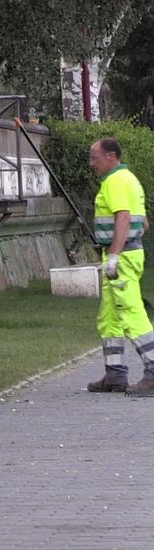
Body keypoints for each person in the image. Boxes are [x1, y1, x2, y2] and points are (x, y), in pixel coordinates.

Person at [86, 137, 154, 395]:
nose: (92, 164)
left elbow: (123, 217)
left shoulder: (115, 181)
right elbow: (143, 222)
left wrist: (113, 253)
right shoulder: (130, 180)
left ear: (111, 156)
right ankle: (114, 375)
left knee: (131, 314)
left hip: (121, 257)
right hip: (128, 253)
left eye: (95, 158)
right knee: (110, 316)